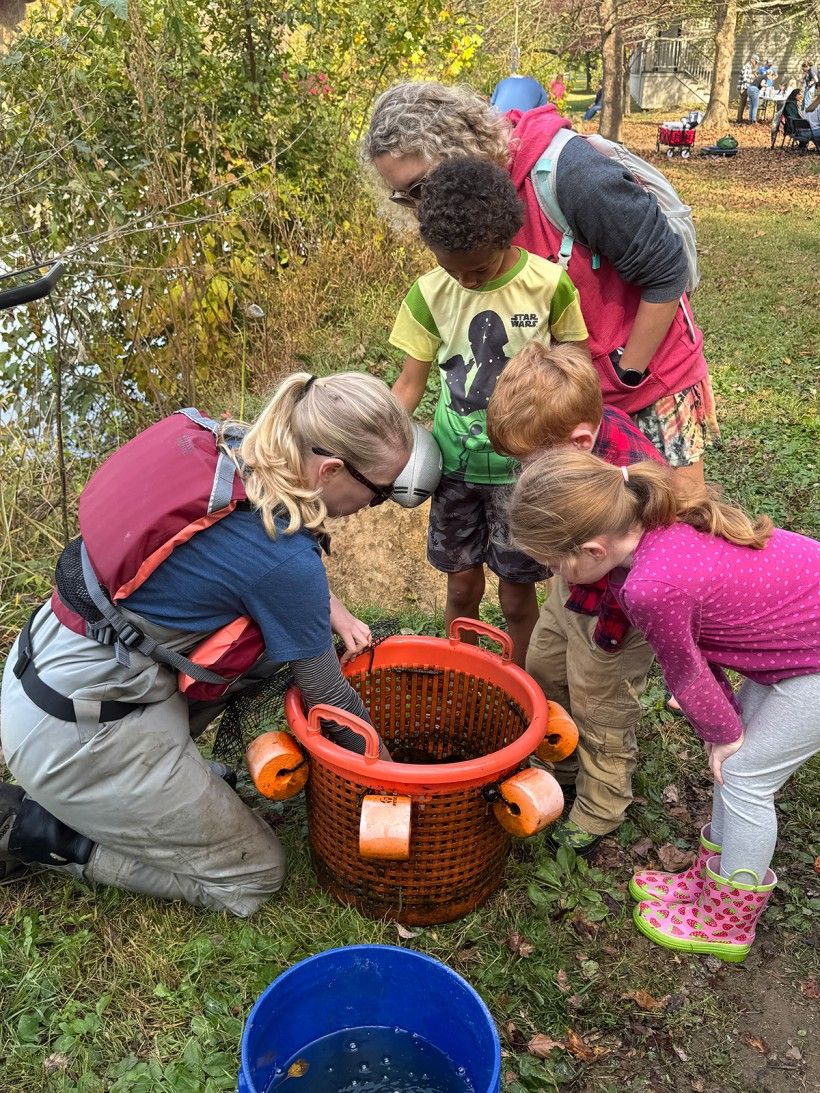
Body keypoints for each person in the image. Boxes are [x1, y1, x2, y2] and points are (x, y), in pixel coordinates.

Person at [0, 372, 412, 916]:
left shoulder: (227, 446)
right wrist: (401, 784)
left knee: (270, 648)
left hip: (46, 666)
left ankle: (149, 788)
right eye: (380, 493)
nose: (378, 503)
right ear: (329, 470)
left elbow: (255, 572)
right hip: (76, 735)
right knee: (253, 877)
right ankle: (33, 828)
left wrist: (326, 607)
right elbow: (333, 702)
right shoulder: (284, 562)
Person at [507, 449, 820, 961]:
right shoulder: (658, 522)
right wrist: (724, 730)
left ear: (590, 549)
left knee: (744, 777)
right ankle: (712, 883)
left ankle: (727, 922)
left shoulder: (651, 586)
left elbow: (686, 671)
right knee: (733, 767)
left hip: (811, 661)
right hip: (796, 647)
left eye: (551, 563)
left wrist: (724, 734)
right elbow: (702, 651)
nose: (549, 573)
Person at [362, 81, 719, 497]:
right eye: (405, 197)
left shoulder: (571, 174)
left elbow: (666, 269)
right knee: (598, 538)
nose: (420, 207)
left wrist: (626, 373)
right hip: (568, 400)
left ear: (456, 145)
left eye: (420, 188)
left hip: (648, 382)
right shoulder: (462, 221)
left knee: (674, 517)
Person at [389, 157, 587, 667]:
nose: (465, 280)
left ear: (505, 236)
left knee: (518, 594)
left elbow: (576, 373)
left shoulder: (549, 286)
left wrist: (571, 449)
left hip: (522, 473)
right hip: (454, 470)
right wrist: (376, 443)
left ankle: (517, 677)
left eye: (476, 269)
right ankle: (466, 670)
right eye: (451, 269)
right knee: (460, 589)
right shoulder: (428, 294)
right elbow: (409, 384)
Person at [485, 341, 665, 853]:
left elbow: (643, 575)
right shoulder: (581, 445)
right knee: (544, 671)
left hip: (617, 616)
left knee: (600, 708)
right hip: (574, 591)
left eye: (530, 462)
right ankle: (561, 764)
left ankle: (600, 808)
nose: (527, 473)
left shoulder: (630, 482)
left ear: (580, 441)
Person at [737, 54, 759, 122]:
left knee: (746, 104)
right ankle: (739, 119)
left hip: (747, 88)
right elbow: (745, 79)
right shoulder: (747, 67)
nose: (756, 63)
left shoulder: (751, 67)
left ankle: (744, 119)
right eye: (756, 61)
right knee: (742, 104)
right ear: (752, 60)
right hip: (744, 88)